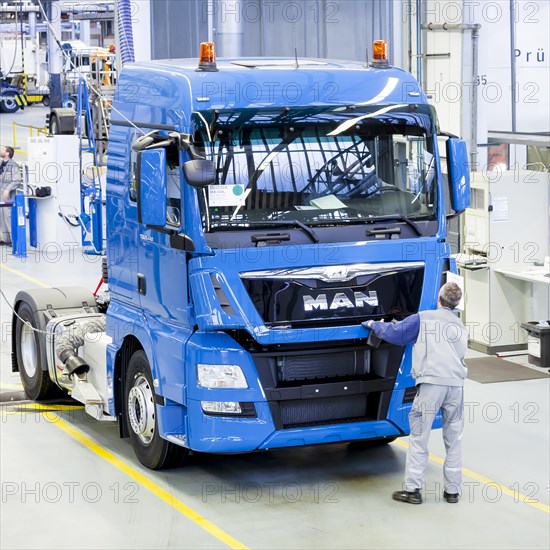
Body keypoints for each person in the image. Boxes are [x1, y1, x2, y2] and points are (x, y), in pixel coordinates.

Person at [363, 282, 468, 505]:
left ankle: (412, 490)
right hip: (456, 386)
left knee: (420, 437)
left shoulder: (424, 318)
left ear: (439, 299)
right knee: (454, 438)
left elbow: (396, 333)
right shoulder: (460, 325)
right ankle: (452, 492)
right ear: (457, 304)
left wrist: (374, 324)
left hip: (432, 385)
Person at [0, 145, 22, 245]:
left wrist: (7, 190)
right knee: (2, 217)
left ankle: (14, 241)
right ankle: (6, 239)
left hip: (7, 196)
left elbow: (17, 180)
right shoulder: (1, 164)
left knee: (9, 217)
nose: (1, 150)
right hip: (0, 194)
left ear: (8, 153)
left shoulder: (13, 165)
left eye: (3, 149)